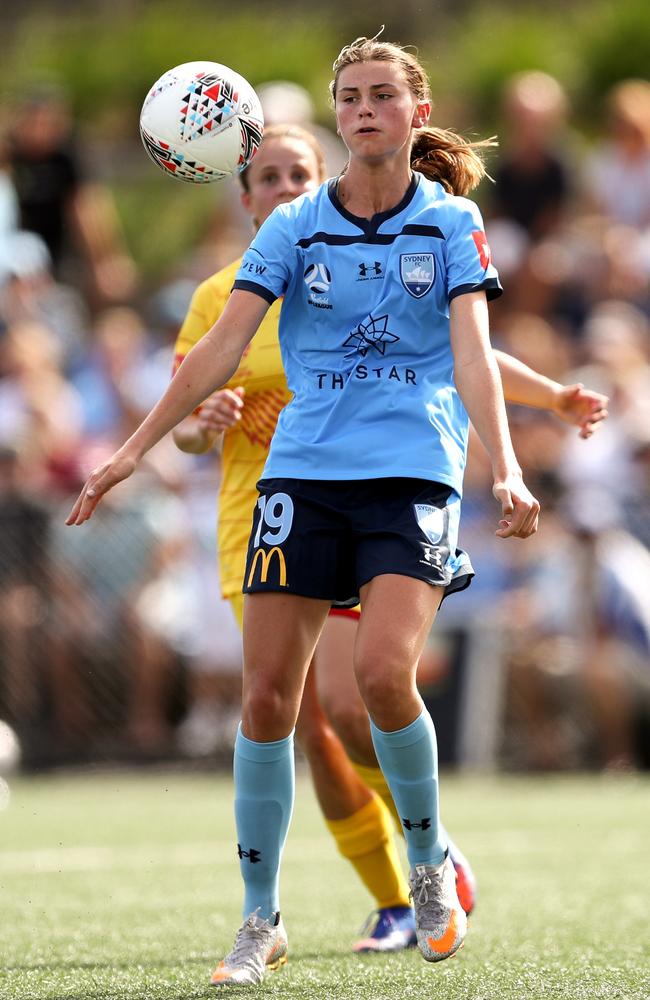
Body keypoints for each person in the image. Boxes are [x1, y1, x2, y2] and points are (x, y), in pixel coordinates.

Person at [68, 31, 550, 984]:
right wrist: (130, 450)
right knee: (265, 703)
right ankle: (260, 920)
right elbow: (213, 353)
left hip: (411, 471)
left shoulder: (450, 223)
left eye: (382, 94)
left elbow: (471, 353)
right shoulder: (291, 229)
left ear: (415, 113)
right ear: (341, 117)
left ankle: (425, 865)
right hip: (301, 477)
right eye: (352, 96)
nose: (365, 107)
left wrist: (506, 466)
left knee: (376, 678)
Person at [171, 123, 609, 953]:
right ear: (243, 196)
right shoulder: (227, 294)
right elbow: (190, 413)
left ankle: (423, 862)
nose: (285, 188)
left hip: (382, 494)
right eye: (267, 177)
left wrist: (551, 398)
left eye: (298, 172)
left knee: (351, 697)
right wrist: (199, 424)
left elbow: (462, 349)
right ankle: (370, 898)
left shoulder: (366, 244)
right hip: (263, 518)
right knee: (288, 715)